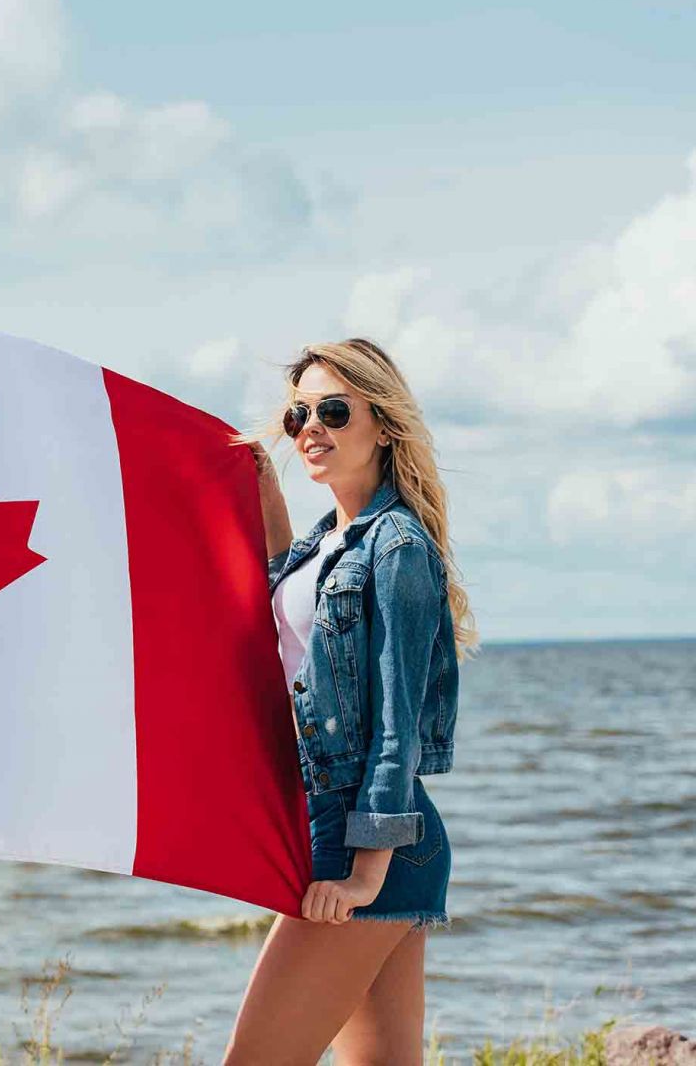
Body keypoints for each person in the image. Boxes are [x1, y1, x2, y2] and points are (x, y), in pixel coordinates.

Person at [224, 338, 476, 1066]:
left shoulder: (397, 547)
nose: (311, 426)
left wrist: (365, 866)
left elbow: (397, 722)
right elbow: (287, 606)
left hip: (371, 841)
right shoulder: (324, 543)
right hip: (341, 829)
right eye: (299, 411)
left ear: (385, 424)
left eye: (334, 409)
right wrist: (266, 491)